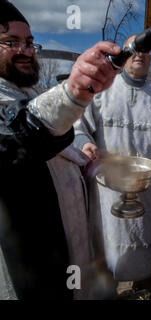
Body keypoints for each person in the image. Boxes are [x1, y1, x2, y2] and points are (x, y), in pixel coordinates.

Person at [0, 0, 121, 299]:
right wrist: (73, 92)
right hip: (32, 272)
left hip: (71, 259)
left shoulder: (28, 93)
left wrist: (83, 156)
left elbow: (56, 144)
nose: (26, 51)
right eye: (11, 42)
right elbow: (21, 136)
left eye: (29, 42)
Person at [73, 34, 151, 297]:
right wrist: (85, 143)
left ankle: (145, 289)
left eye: (147, 51)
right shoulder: (101, 91)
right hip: (107, 188)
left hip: (147, 187)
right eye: (136, 49)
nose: (140, 54)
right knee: (107, 249)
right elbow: (78, 127)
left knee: (144, 243)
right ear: (124, 53)